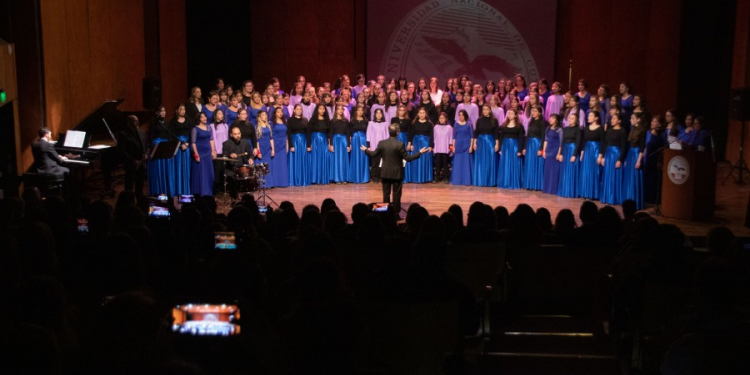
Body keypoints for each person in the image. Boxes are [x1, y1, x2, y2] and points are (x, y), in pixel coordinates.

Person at [362, 124, 427, 217]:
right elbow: (408, 158)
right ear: (397, 133)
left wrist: (365, 150)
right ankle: (396, 214)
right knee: (396, 195)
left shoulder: (382, 143)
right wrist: (419, 152)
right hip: (397, 174)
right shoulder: (400, 144)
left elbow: (373, 154)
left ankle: (385, 214)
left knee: (386, 194)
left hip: (385, 173)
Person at [118, 115, 148, 197]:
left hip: (141, 164)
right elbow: (122, 151)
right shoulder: (123, 134)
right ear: (128, 123)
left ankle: (140, 202)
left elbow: (146, 146)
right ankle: (129, 202)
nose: (137, 122)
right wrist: (133, 160)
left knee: (140, 186)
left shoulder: (142, 132)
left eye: (137, 120)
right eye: (134, 121)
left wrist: (146, 154)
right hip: (131, 165)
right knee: (129, 187)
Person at [147, 106, 175, 196]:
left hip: (165, 147)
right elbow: (150, 136)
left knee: (166, 169)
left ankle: (167, 190)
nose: (163, 112)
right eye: (161, 111)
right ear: (157, 112)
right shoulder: (153, 122)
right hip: (157, 148)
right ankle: (158, 190)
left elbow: (169, 135)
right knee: (158, 169)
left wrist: (171, 147)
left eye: (164, 110)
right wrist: (152, 149)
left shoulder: (167, 121)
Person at [600, 114, 627, 205]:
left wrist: (620, 160)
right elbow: (605, 144)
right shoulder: (609, 131)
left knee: (615, 176)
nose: (612, 120)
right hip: (608, 155)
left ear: (619, 121)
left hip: (616, 155)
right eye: (612, 118)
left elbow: (624, 147)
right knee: (607, 175)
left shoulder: (622, 131)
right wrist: (603, 156)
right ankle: (607, 196)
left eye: (614, 118)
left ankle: (614, 198)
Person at [578, 111, 605, 200]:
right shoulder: (586, 128)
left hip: (595, 151)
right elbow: (584, 141)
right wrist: (582, 152)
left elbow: (603, 143)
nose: (588, 117)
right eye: (588, 115)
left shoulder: (600, 129)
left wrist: (600, 155)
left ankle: (593, 193)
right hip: (587, 151)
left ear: (596, 118)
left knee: (594, 172)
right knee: (586, 172)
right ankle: (585, 192)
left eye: (591, 116)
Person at [622, 112, 646, 209]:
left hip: (636, 155)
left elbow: (642, 147)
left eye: (633, 118)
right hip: (630, 154)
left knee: (635, 177)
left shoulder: (642, 131)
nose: (631, 120)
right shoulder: (632, 129)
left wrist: (639, 160)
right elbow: (629, 145)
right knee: (629, 177)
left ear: (638, 120)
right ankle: (628, 199)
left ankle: (635, 202)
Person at [497, 108, 525, 189]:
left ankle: (513, 182)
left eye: (512, 113)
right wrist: (500, 149)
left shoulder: (519, 126)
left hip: (514, 146)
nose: (510, 115)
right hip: (505, 146)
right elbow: (501, 137)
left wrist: (520, 149)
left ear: (516, 115)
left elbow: (521, 138)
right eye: (509, 113)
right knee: (505, 164)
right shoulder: (504, 125)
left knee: (514, 164)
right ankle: (505, 182)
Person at [472, 104, 499, 187]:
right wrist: (474, 143)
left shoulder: (494, 120)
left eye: (487, 109)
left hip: (490, 142)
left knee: (490, 161)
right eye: (483, 109)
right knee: (480, 161)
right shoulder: (479, 120)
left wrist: (497, 144)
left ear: (490, 111)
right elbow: (476, 132)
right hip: (480, 142)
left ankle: (489, 181)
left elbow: (496, 133)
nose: (485, 111)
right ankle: (480, 180)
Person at [222, 126, 253, 197]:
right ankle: (234, 199)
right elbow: (224, 156)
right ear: (231, 135)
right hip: (231, 169)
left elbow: (250, 154)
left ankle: (245, 197)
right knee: (233, 181)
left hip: (243, 168)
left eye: (239, 133)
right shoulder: (226, 144)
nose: (238, 136)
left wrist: (251, 158)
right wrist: (230, 155)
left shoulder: (245, 142)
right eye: (235, 134)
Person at [190, 112, 215, 196]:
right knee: (201, 173)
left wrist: (213, 151)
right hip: (200, 152)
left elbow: (211, 140)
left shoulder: (209, 127)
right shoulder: (195, 129)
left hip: (208, 152)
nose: (205, 118)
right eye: (202, 117)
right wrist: (196, 154)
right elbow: (193, 143)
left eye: (205, 116)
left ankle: (208, 192)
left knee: (209, 173)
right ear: (199, 119)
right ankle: (200, 192)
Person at [557, 113, 581, 197]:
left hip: (572, 150)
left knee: (571, 171)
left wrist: (574, 155)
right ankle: (564, 190)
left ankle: (571, 192)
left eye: (572, 118)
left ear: (576, 120)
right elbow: (563, 142)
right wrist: (561, 154)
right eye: (569, 118)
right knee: (564, 171)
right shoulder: (565, 129)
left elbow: (578, 143)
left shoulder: (578, 129)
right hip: (566, 151)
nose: (570, 119)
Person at [407, 107, 434, 183]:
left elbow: (432, 136)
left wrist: (431, 146)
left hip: (426, 143)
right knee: (416, 159)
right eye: (420, 113)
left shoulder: (429, 124)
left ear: (426, 114)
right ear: (418, 114)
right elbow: (411, 134)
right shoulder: (414, 123)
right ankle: (416, 177)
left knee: (425, 160)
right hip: (416, 144)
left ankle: (425, 178)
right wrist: (411, 144)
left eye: (423, 113)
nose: (421, 114)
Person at [170, 104, 192, 195]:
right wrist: (180, 145)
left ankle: (187, 188)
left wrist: (187, 143)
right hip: (178, 146)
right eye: (181, 109)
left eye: (184, 109)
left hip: (186, 146)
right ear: (177, 111)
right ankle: (178, 188)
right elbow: (172, 135)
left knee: (187, 167)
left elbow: (191, 133)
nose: (183, 111)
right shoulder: (173, 121)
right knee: (178, 167)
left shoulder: (189, 120)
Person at [522, 105, 545, 191]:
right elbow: (527, 135)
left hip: (537, 144)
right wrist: (524, 147)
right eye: (532, 111)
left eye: (535, 111)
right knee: (529, 164)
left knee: (536, 164)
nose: (533, 113)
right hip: (529, 144)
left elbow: (543, 136)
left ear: (539, 113)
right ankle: (529, 184)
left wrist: (541, 149)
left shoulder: (542, 123)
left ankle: (536, 185)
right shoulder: (530, 122)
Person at [288, 104, 311, 186]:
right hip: (295, 142)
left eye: (300, 109)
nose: (299, 110)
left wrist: (308, 145)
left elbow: (308, 133)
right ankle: (295, 180)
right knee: (295, 161)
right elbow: (289, 134)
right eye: (297, 109)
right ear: (294, 110)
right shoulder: (290, 120)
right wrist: (291, 145)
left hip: (303, 143)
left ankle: (303, 179)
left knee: (303, 161)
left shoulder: (305, 120)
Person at [307, 104, 331, 185]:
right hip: (315, 141)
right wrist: (309, 144)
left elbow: (329, 133)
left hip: (324, 141)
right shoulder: (313, 119)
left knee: (323, 158)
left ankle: (322, 178)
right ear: (317, 109)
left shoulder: (327, 120)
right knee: (315, 159)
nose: (322, 110)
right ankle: (314, 178)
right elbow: (309, 132)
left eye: (323, 109)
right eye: (320, 108)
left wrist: (329, 143)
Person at [347, 105, 370, 183]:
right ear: (356, 111)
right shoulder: (352, 121)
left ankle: (364, 177)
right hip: (354, 140)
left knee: (363, 157)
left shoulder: (366, 121)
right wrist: (349, 144)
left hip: (363, 140)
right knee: (355, 157)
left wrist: (368, 144)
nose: (360, 112)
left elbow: (368, 133)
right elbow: (350, 133)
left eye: (361, 110)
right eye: (358, 110)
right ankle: (354, 177)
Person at [267, 107, 289, 188]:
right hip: (276, 144)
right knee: (275, 164)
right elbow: (270, 135)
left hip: (283, 144)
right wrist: (272, 147)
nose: (280, 113)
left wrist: (287, 145)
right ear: (275, 113)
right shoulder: (272, 123)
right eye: (278, 112)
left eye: (281, 112)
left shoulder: (284, 122)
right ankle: (275, 182)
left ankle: (283, 182)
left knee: (282, 164)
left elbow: (286, 135)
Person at [366, 108, 390, 183]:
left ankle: (383, 177)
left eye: (380, 113)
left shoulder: (386, 124)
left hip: (383, 146)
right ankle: (375, 178)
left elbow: (387, 135)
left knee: (384, 164)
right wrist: (368, 146)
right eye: (377, 113)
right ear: (375, 114)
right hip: (374, 146)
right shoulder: (371, 123)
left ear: (382, 115)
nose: (379, 115)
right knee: (375, 163)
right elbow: (368, 135)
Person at [329, 105, 351, 184]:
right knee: (336, 159)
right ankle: (337, 178)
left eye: (342, 109)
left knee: (343, 159)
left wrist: (349, 144)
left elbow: (348, 133)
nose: (340, 111)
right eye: (339, 109)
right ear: (336, 111)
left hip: (344, 141)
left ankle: (344, 177)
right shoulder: (332, 121)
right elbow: (330, 133)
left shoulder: (346, 121)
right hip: (335, 141)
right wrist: (331, 144)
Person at [543, 114, 563, 195]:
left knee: (554, 171)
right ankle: (547, 188)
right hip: (548, 150)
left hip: (555, 151)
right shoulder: (547, 128)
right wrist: (544, 151)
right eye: (550, 117)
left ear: (557, 120)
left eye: (553, 118)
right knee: (547, 170)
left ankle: (553, 189)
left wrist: (559, 153)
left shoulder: (559, 130)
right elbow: (545, 140)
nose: (550, 119)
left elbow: (561, 143)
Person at [451, 110, 473, 185]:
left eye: (462, 115)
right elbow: (454, 137)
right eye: (459, 115)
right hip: (458, 146)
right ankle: (458, 180)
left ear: (465, 116)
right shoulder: (456, 124)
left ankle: (466, 181)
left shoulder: (469, 124)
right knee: (458, 164)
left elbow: (472, 137)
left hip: (466, 146)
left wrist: (471, 146)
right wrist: (453, 146)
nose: (461, 116)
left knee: (466, 164)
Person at [433, 112, 453, 183]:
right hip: (438, 147)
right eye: (440, 118)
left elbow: (451, 137)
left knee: (445, 164)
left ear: (446, 119)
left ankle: (445, 178)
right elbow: (434, 138)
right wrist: (433, 147)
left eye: (443, 118)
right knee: (437, 163)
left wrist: (450, 146)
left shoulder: (449, 128)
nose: (441, 119)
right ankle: (437, 177)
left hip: (445, 147)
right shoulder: (435, 127)